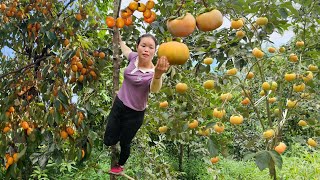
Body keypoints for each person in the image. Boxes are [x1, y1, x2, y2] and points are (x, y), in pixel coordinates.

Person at [103, 33, 170, 175]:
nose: (146, 49)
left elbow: (155, 89)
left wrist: (158, 74)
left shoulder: (153, 71)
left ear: (154, 51)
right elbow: (126, 50)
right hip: (119, 104)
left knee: (125, 142)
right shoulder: (133, 58)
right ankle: (114, 137)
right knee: (108, 140)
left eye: (151, 47)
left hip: (135, 114)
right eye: (143, 45)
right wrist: (119, 40)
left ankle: (120, 165)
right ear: (138, 47)